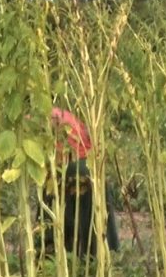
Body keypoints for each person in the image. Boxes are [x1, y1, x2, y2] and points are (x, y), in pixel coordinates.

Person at [40, 107, 120, 256]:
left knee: (54, 213)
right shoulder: (65, 115)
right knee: (97, 222)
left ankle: (55, 255)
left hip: (68, 169)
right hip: (92, 168)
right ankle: (106, 256)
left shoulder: (37, 119)